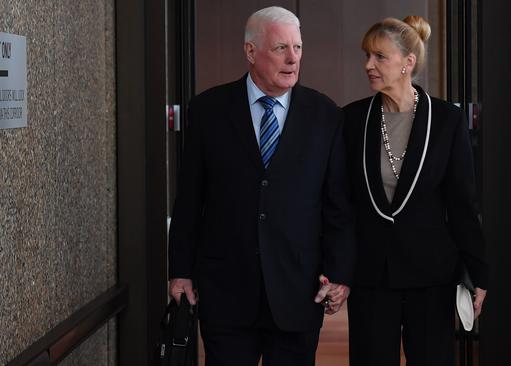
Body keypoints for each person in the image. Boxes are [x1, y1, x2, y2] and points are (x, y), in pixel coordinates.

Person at [167, 6, 355, 366]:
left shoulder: (325, 115)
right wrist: (180, 271)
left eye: (298, 48)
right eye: (280, 48)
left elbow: (337, 207)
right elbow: (190, 199)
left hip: (298, 293)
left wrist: (341, 274)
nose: (292, 59)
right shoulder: (208, 110)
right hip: (226, 291)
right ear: (251, 52)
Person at [343, 16, 488, 365]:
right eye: (367, 55)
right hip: (370, 276)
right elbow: (340, 202)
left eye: (379, 57)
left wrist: (478, 273)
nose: (368, 65)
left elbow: (462, 202)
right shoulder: (350, 119)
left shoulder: (446, 121)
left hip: (431, 277)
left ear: (408, 62)